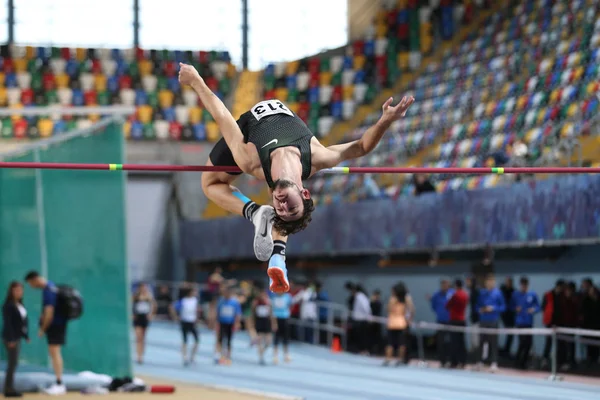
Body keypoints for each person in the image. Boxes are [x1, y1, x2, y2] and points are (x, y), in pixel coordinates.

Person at [179, 62, 414, 294]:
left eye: (278, 206)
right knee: (286, 217)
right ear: (305, 193)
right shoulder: (318, 156)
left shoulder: (251, 160)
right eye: (289, 205)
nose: (281, 203)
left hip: (248, 128)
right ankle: (277, 253)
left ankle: (254, 212)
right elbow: (361, 147)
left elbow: (222, 116)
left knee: (209, 183)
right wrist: (385, 121)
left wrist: (196, 81)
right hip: (285, 130)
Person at [24, 272, 69, 395]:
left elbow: (49, 312)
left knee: (54, 351)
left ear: (34, 280)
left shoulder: (48, 289)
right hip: (59, 324)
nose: (32, 286)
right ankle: (59, 382)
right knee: (54, 352)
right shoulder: (52, 286)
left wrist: (43, 328)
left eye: (30, 283)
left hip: (55, 325)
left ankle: (59, 383)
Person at [2, 282, 29, 398]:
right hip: (10, 338)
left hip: (17, 337)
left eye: (20, 290)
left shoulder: (19, 305)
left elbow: (21, 323)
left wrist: (25, 335)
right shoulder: (8, 305)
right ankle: (8, 389)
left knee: (14, 363)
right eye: (16, 290)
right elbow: (8, 324)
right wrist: (11, 339)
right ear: (11, 291)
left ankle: (10, 387)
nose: (18, 292)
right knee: (12, 363)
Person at [476, 275, 506, 372]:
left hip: (493, 321)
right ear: (485, 283)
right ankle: (480, 361)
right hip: (483, 321)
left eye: (491, 281)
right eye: (488, 281)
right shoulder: (482, 293)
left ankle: (494, 363)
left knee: (493, 342)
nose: (489, 283)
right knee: (481, 342)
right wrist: (480, 310)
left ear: (494, 282)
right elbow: (477, 306)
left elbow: (503, 307)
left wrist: (493, 308)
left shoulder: (498, 293)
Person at [511, 277, 540, 369]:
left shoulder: (532, 294)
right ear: (520, 285)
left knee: (528, 343)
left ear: (527, 285)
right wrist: (515, 309)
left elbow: (538, 306)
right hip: (519, 322)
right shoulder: (516, 295)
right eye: (522, 285)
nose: (523, 287)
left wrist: (533, 309)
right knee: (522, 342)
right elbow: (510, 306)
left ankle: (524, 362)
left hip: (528, 322)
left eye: (525, 285)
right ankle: (517, 361)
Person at [172, 288, 200, 366]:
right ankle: (185, 358)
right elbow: (173, 307)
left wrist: (197, 319)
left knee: (197, 340)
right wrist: (176, 317)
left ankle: (192, 356)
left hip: (192, 322)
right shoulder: (183, 300)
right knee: (185, 340)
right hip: (184, 322)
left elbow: (196, 310)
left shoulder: (195, 300)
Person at [383, 283, 410, 366]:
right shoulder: (406, 299)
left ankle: (388, 359)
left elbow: (388, 309)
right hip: (402, 322)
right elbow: (411, 310)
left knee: (390, 343)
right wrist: (408, 320)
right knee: (401, 343)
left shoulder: (393, 299)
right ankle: (400, 359)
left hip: (392, 322)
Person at [429, 278, 454, 367]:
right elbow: (433, 306)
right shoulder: (437, 294)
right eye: (443, 284)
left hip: (451, 321)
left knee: (451, 341)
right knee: (441, 341)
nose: (444, 286)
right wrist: (440, 312)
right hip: (440, 320)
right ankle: (442, 360)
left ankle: (451, 360)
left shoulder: (452, 293)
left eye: (446, 284)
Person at [215, 287, 242, 365]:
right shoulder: (221, 301)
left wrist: (237, 323)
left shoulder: (234, 302)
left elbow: (237, 314)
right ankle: (219, 356)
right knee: (220, 340)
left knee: (229, 341)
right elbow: (218, 312)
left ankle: (228, 357)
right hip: (222, 323)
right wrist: (216, 322)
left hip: (230, 323)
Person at [541, 280, 565, 367]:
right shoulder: (548, 295)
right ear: (558, 286)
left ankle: (559, 362)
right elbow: (543, 307)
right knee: (548, 342)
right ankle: (545, 359)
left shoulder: (563, 296)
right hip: (550, 322)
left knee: (560, 343)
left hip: (560, 323)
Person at [131, 283, 156, 365]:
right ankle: (138, 356)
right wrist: (132, 314)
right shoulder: (136, 296)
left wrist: (151, 314)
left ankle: (141, 355)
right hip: (138, 317)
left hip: (145, 317)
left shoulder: (149, 296)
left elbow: (154, 305)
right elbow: (130, 304)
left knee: (143, 338)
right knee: (138, 337)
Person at [446, 279, 469, 368]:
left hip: (455, 320)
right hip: (462, 320)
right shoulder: (465, 295)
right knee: (462, 342)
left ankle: (454, 362)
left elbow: (448, 305)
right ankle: (463, 361)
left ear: (456, 285)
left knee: (454, 342)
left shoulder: (455, 295)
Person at [252, 285, 275, 365]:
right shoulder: (256, 302)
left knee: (269, 342)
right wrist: (253, 323)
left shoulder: (269, 302)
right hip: (259, 322)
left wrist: (273, 324)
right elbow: (253, 313)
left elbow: (271, 314)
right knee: (260, 340)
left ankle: (263, 351)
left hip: (267, 322)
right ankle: (261, 357)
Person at [580, 278, 600, 366]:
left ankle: (596, 359)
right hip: (588, 326)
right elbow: (582, 313)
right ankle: (590, 360)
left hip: (597, 325)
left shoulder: (598, 300)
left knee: (597, 344)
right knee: (589, 344)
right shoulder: (585, 300)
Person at [271, 290, 292, 364]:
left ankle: (286, 354)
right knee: (276, 337)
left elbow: (290, 305)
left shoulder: (288, 297)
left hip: (285, 318)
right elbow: (272, 309)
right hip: (276, 318)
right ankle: (275, 356)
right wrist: (273, 322)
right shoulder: (273, 297)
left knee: (285, 337)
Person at [351, 285, 372, 355]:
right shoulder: (360, 296)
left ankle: (363, 350)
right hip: (360, 319)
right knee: (361, 336)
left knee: (362, 336)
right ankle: (362, 349)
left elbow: (366, 307)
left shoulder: (360, 296)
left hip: (361, 319)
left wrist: (368, 316)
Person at [500, 277, 515, 355]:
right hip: (502, 314)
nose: (508, 283)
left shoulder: (513, 291)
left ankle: (507, 349)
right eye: (507, 282)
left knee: (510, 333)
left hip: (511, 315)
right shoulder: (502, 290)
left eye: (509, 282)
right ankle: (503, 350)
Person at [239, 281, 258, 346]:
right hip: (249, 312)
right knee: (249, 327)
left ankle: (254, 338)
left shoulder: (247, 294)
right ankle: (253, 338)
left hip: (248, 312)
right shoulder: (250, 294)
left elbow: (241, 301)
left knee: (250, 327)